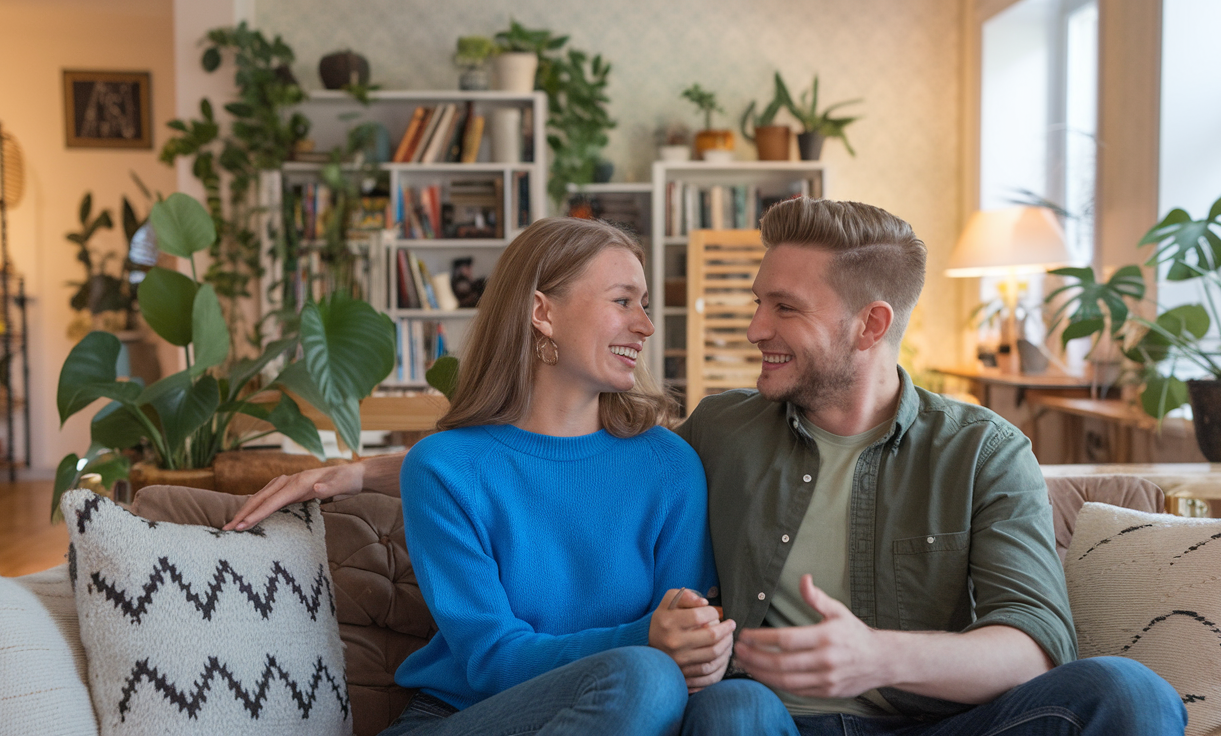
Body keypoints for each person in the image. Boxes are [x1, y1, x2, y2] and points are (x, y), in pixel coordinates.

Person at [225, 217, 796, 736]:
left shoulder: (669, 464)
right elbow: (491, 659)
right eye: (623, 301)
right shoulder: (447, 467)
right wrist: (645, 640)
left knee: (747, 709)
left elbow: (686, 638)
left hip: (633, 713)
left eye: (643, 304)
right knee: (643, 677)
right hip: (472, 716)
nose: (645, 325)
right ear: (542, 313)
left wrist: (702, 647)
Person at [673, 197, 1185, 735]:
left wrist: (875, 656)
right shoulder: (720, 428)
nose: (755, 328)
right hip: (770, 723)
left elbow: (1034, 646)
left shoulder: (984, 451)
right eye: (760, 303)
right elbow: (616, 480)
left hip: (933, 725)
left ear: (871, 325)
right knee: (729, 709)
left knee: (1130, 693)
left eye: (785, 307)